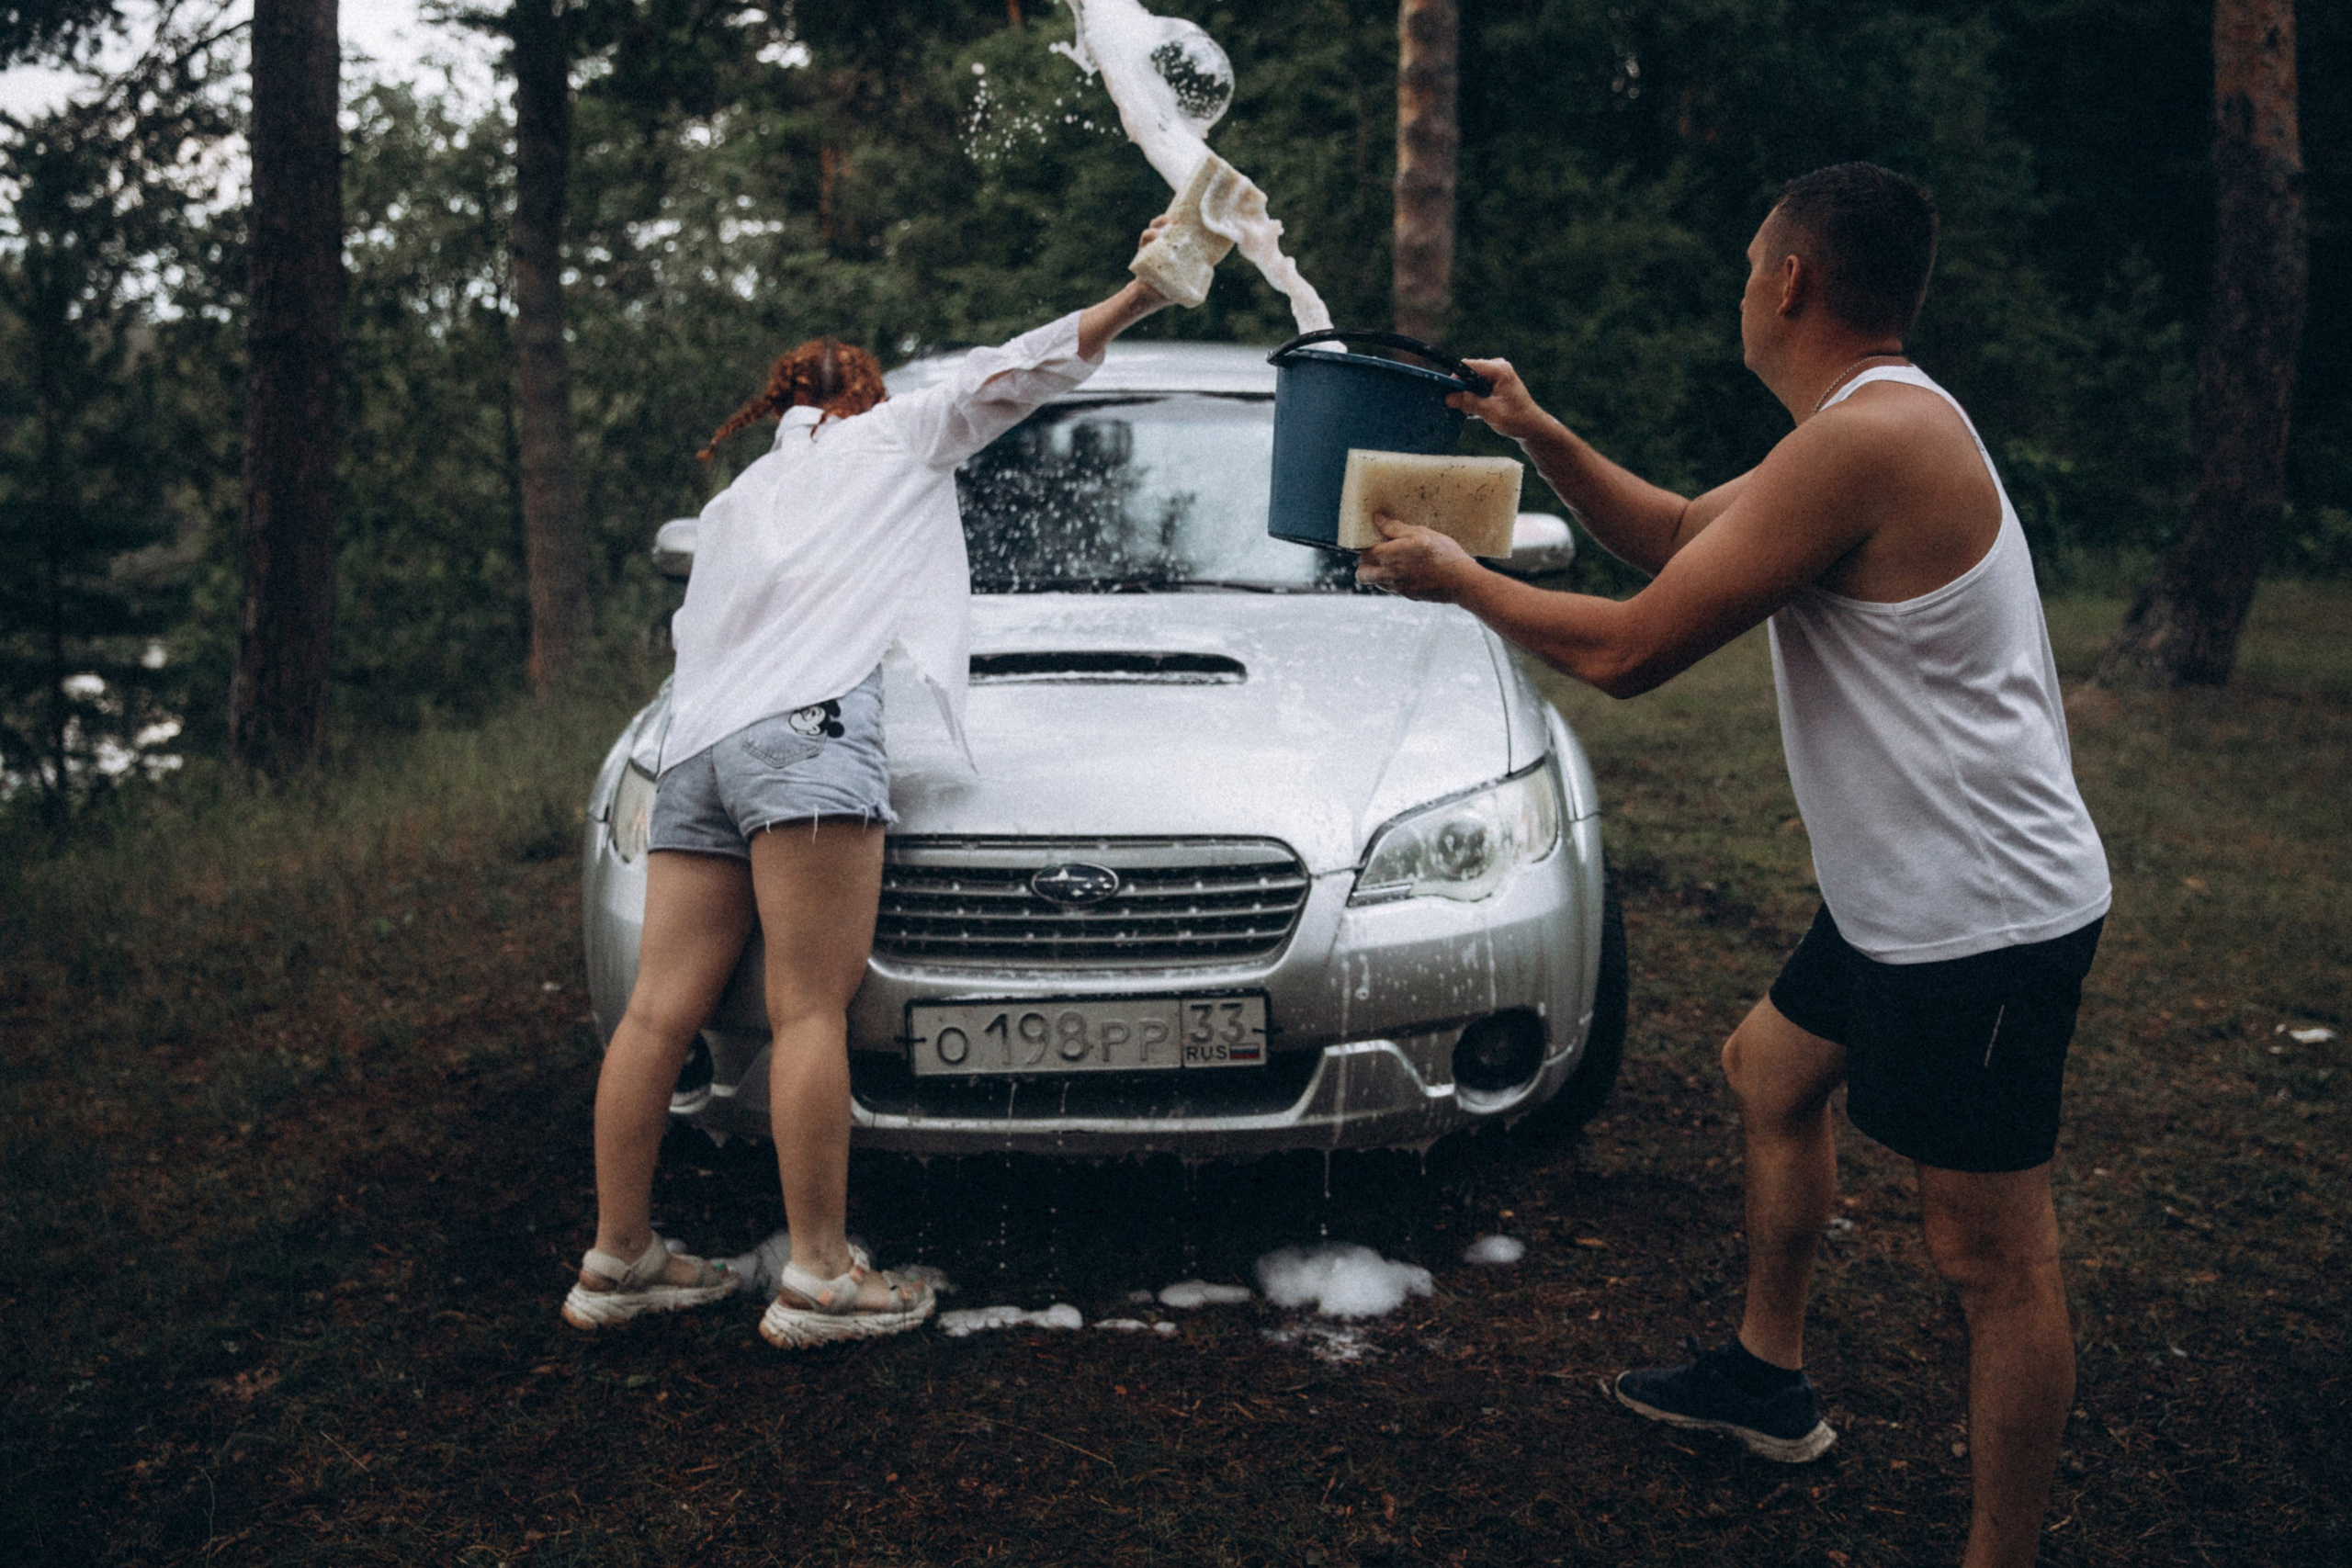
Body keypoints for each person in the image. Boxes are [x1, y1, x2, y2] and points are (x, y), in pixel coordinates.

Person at [1355, 164, 2109, 1568]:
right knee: (1771, 1069)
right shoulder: (1860, 425)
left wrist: (1455, 576)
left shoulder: (1864, 443)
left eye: (1749, 260)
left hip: (1981, 916)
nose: (1741, 282)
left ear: (1789, 281)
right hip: (1904, 895)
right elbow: (1670, 534)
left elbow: (1632, 649)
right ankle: (1766, 1377)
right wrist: (1536, 429)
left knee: (1988, 1255)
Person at [561, 225, 1174, 1348]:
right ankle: (822, 1274)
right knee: (808, 1008)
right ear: (871, 393)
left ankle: (618, 1258)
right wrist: (1142, 288)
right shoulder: (896, 434)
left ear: (783, 403)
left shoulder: (744, 497)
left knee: (655, 1011)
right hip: (804, 737)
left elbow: (697, 631)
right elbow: (1022, 365)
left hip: (698, 742)